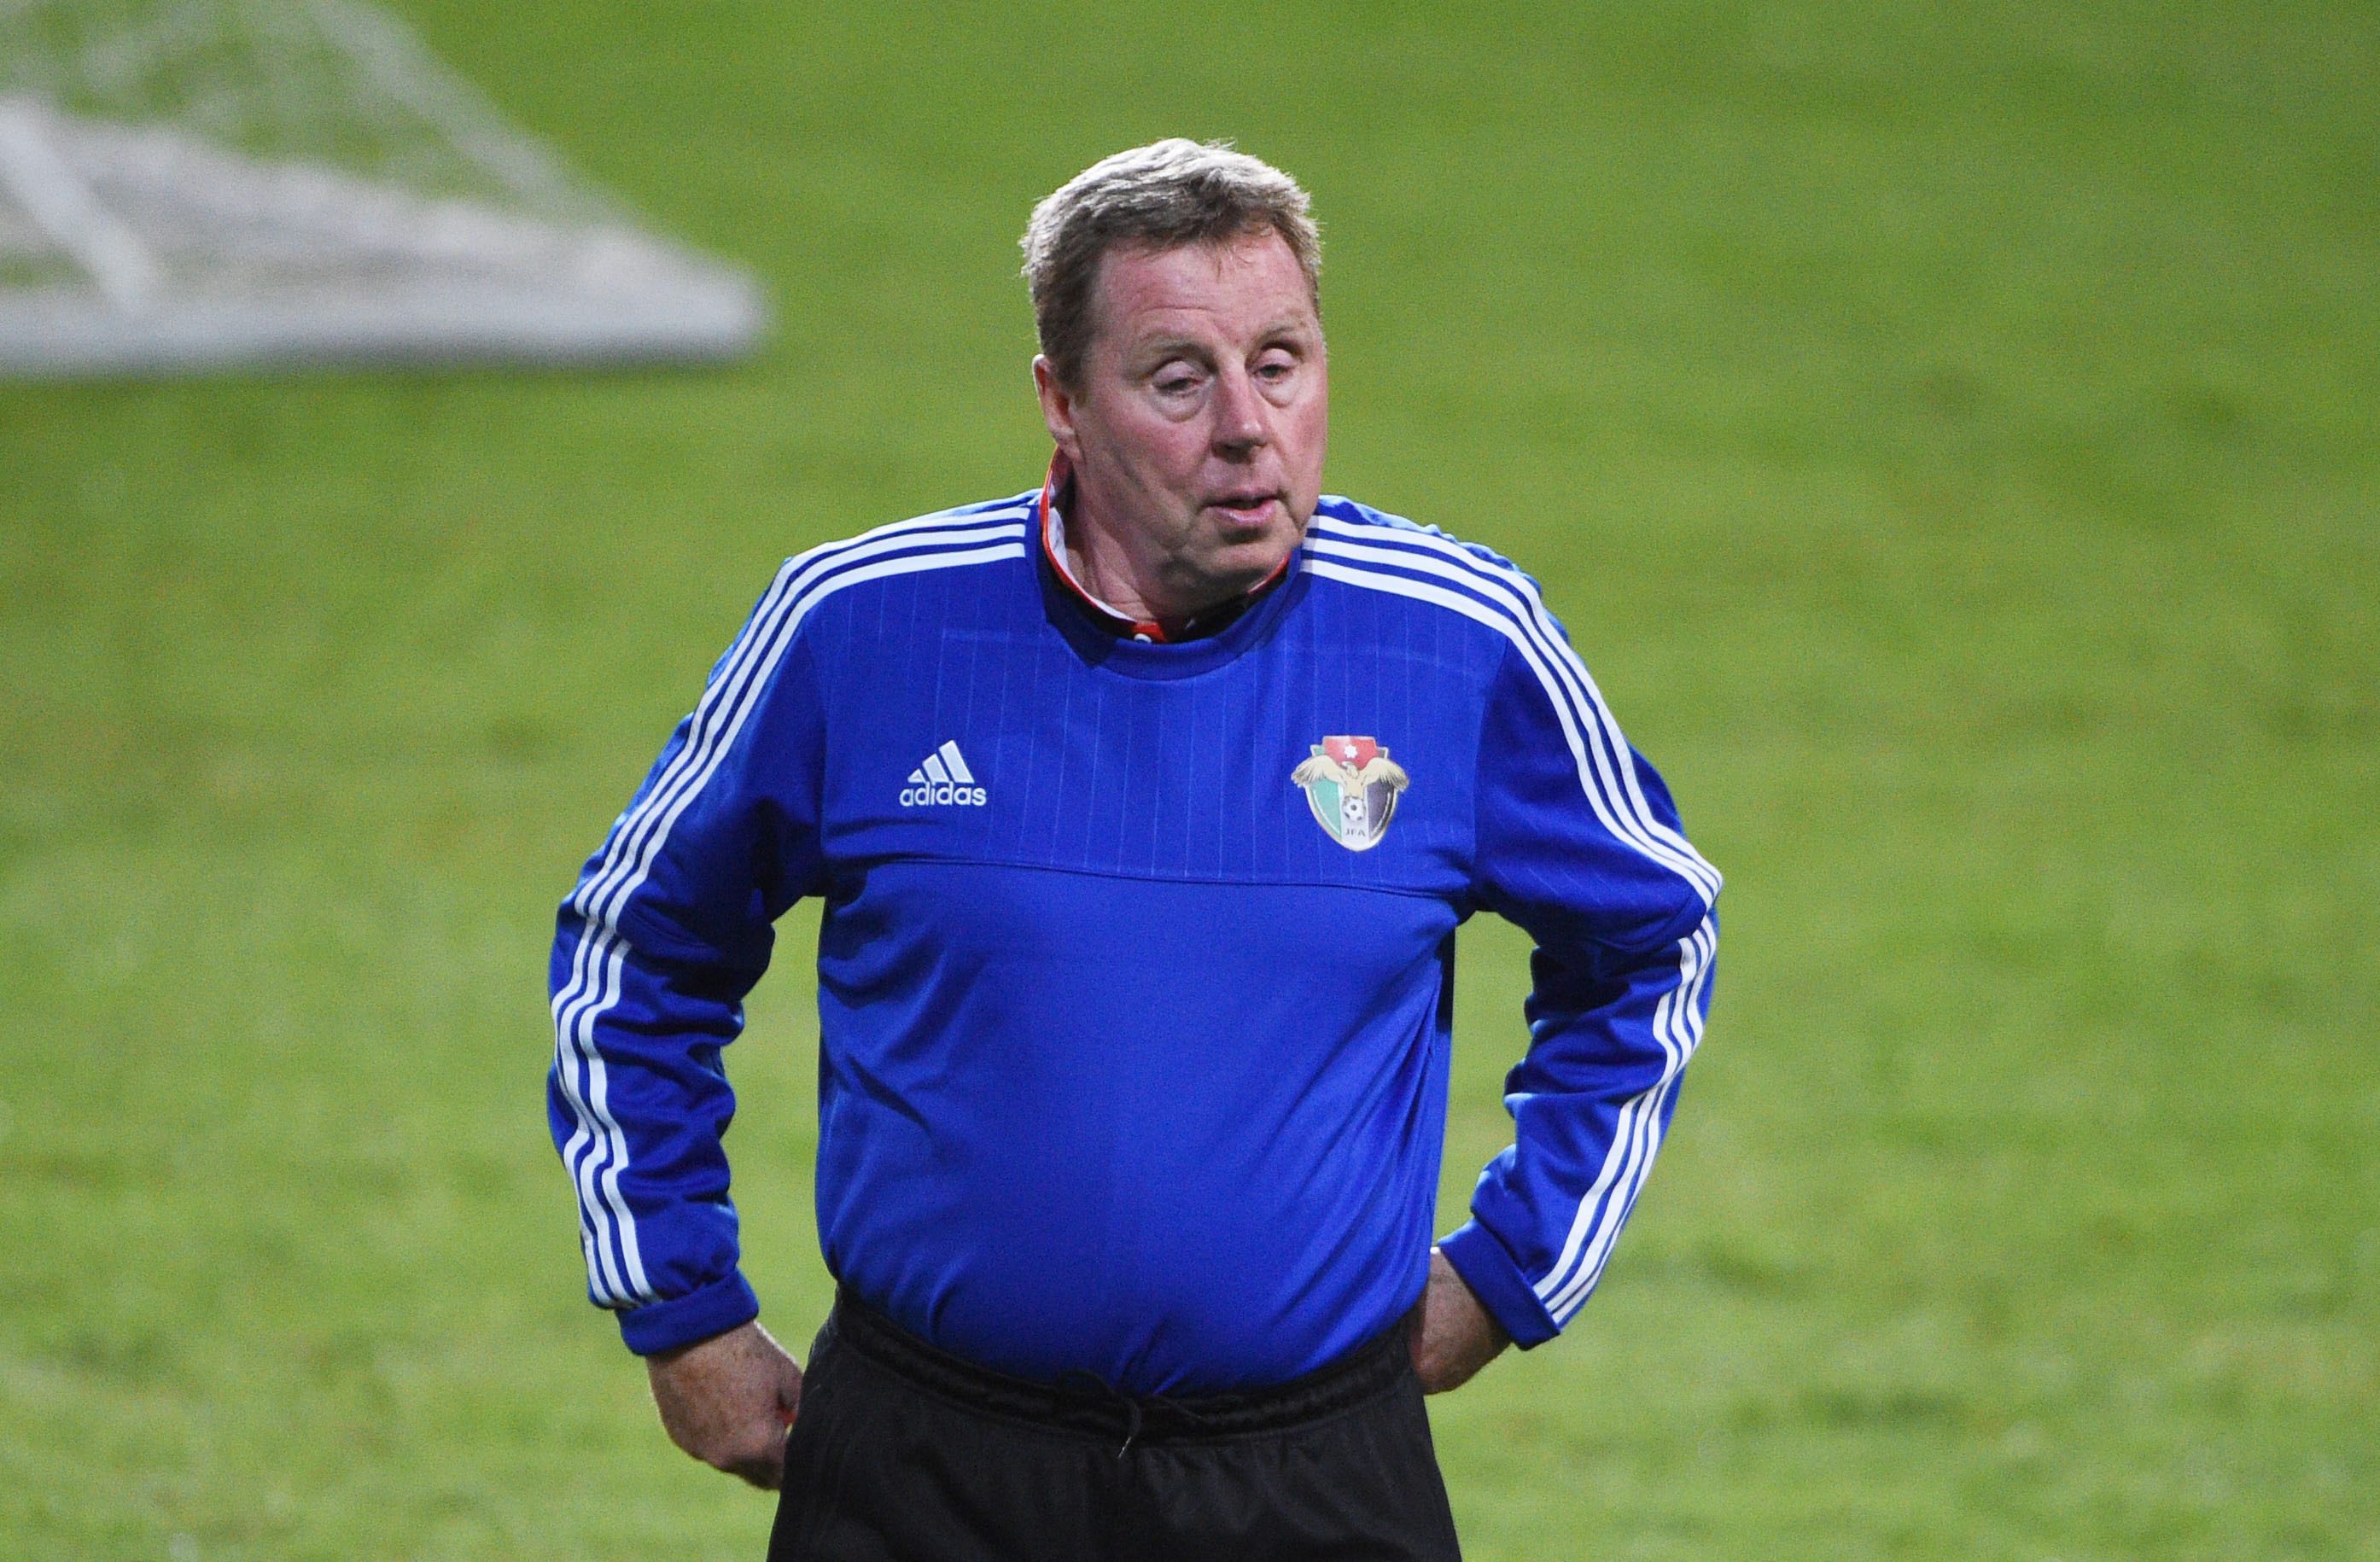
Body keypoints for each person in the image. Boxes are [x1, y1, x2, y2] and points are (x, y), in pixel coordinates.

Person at [547, 138, 1720, 1559]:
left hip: (1312, 1480)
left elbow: (1653, 937)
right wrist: (681, 1305)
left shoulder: (1456, 641)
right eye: (1179, 379)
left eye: (1280, 363)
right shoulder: (862, 627)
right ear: (1061, 400)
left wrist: (1513, 1264)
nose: (1248, 427)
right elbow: (638, 951)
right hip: (926, 1473)